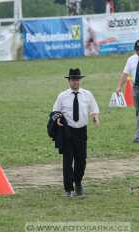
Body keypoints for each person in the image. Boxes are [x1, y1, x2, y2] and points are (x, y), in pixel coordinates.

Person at [52, 68, 100, 197]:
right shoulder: (62, 96)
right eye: (73, 80)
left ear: (80, 80)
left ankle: (78, 183)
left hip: (81, 132)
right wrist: (57, 119)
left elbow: (94, 108)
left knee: (81, 160)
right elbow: (55, 111)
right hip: (68, 132)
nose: (75, 82)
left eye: (77, 80)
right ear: (69, 81)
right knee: (68, 160)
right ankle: (68, 189)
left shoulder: (87, 94)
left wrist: (95, 117)